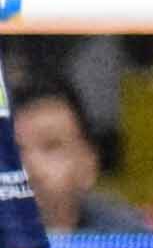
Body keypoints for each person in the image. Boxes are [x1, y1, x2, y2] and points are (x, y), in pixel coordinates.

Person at [9, 82, 144, 235]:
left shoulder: (127, 240)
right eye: (14, 149)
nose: (29, 168)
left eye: (51, 146)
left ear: (89, 165)